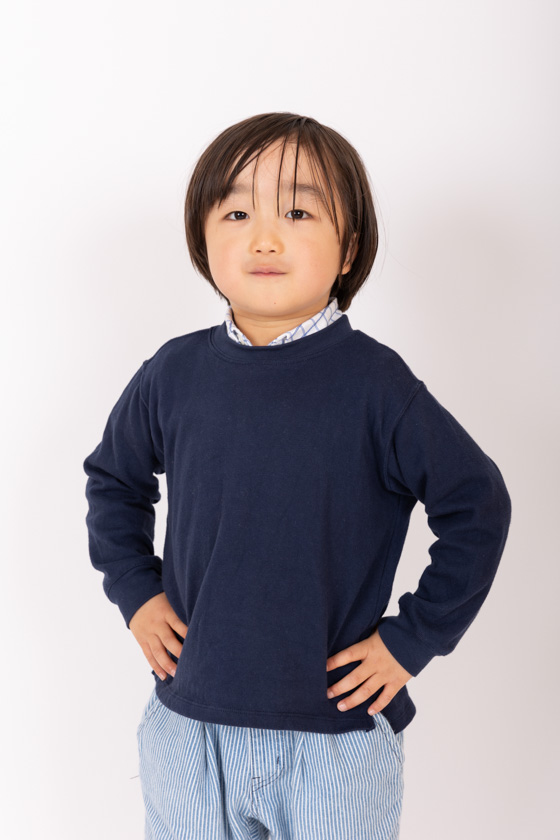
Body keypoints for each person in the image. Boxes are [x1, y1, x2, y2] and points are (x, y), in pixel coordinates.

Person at [83, 112, 512, 840]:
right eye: (237, 213)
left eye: (298, 212)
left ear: (349, 249)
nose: (264, 238)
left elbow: (477, 505)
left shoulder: (377, 386)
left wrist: (411, 640)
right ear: (202, 238)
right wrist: (135, 590)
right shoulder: (173, 374)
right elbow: (113, 481)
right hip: (189, 726)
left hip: (334, 735)